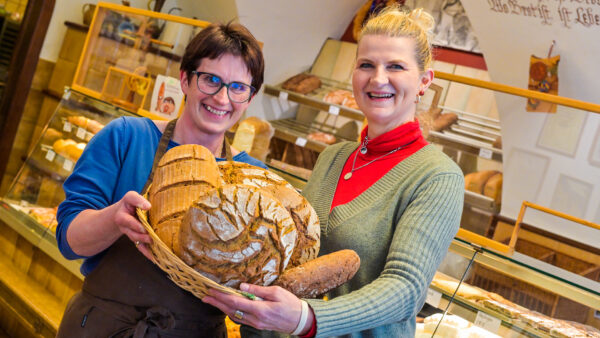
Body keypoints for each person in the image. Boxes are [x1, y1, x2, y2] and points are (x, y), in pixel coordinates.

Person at [202, 6, 464, 338]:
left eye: (395, 66)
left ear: (424, 81)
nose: (378, 78)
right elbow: (295, 259)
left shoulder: (437, 177)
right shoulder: (333, 158)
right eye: (366, 64)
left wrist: (306, 319)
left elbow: (404, 290)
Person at [55, 22, 265, 337]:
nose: (222, 98)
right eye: (210, 80)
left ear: (249, 98)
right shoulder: (127, 137)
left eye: (238, 87)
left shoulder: (251, 179)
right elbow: (69, 241)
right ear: (184, 78)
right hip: (103, 327)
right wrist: (115, 218)